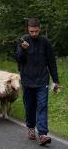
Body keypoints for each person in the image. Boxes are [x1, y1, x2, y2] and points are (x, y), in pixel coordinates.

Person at [16, 18, 61, 146]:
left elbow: (51, 62)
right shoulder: (23, 41)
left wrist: (56, 80)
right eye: (31, 31)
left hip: (42, 80)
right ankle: (30, 127)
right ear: (28, 29)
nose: (34, 34)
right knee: (29, 106)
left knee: (42, 106)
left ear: (39, 29)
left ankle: (42, 134)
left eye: (36, 31)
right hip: (27, 80)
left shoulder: (45, 42)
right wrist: (23, 49)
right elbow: (18, 59)